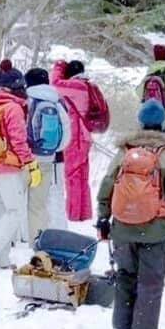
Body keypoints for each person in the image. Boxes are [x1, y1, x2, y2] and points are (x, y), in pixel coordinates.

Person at [96, 99, 165, 329]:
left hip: (122, 228)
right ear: (162, 124)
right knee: (150, 284)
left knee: (125, 276)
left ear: (141, 122)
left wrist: (103, 218)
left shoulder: (125, 151)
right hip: (154, 230)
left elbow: (107, 185)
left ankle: (122, 327)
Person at [0, 63, 41, 269]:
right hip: (6, 167)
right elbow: (18, 140)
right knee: (15, 211)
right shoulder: (13, 107)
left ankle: (1, 258)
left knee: (1, 211)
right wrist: (30, 163)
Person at [52, 59, 110, 223]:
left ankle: (74, 214)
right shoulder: (87, 85)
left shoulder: (76, 86)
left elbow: (55, 84)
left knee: (72, 176)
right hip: (84, 137)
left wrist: (58, 67)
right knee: (81, 176)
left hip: (75, 137)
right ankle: (83, 213)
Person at [23, 67, 72, 241]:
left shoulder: (25, 100)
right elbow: (67, 129)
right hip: (49, 159)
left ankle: (21, 236)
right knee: (40, 202)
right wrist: (55, 149)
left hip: (25, 158)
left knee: (21, 199)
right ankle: (39, 237)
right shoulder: (58, 101)